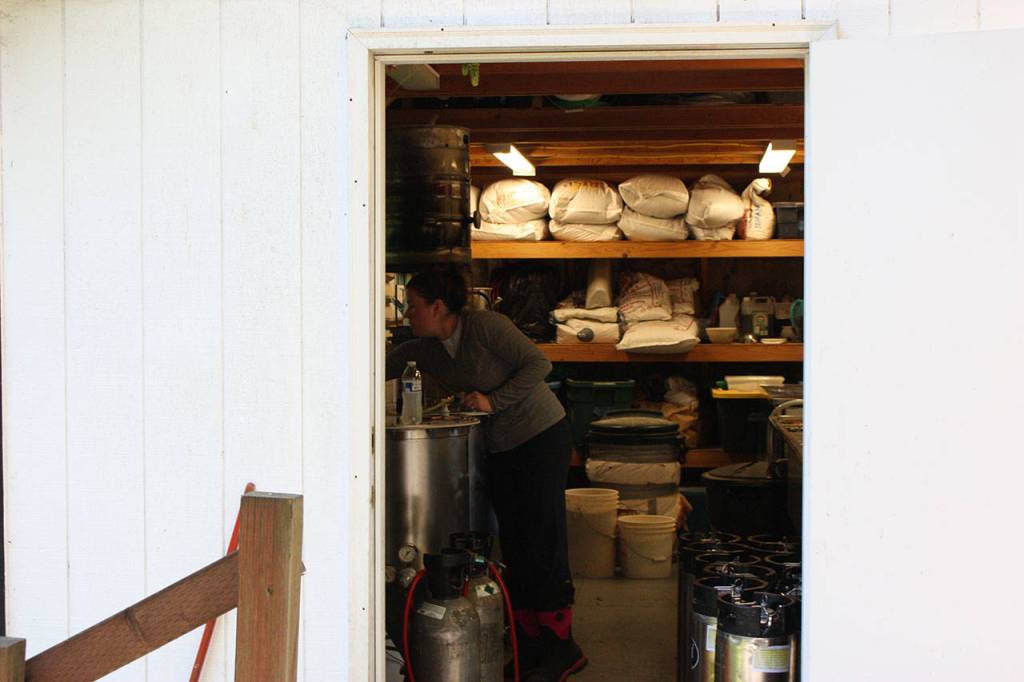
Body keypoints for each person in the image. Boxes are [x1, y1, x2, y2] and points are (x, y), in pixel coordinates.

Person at [387, 269, 587, 682]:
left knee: (542, 537)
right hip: (501, 447)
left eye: (414, 305)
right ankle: (530, 644)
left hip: (540, 436)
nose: (408, 313)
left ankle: (562, 647)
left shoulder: (486, 326)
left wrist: (492, 401)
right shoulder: (428, 349)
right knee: (515, 541)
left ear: (438, 307)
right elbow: (381, 362)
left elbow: (539, 363)